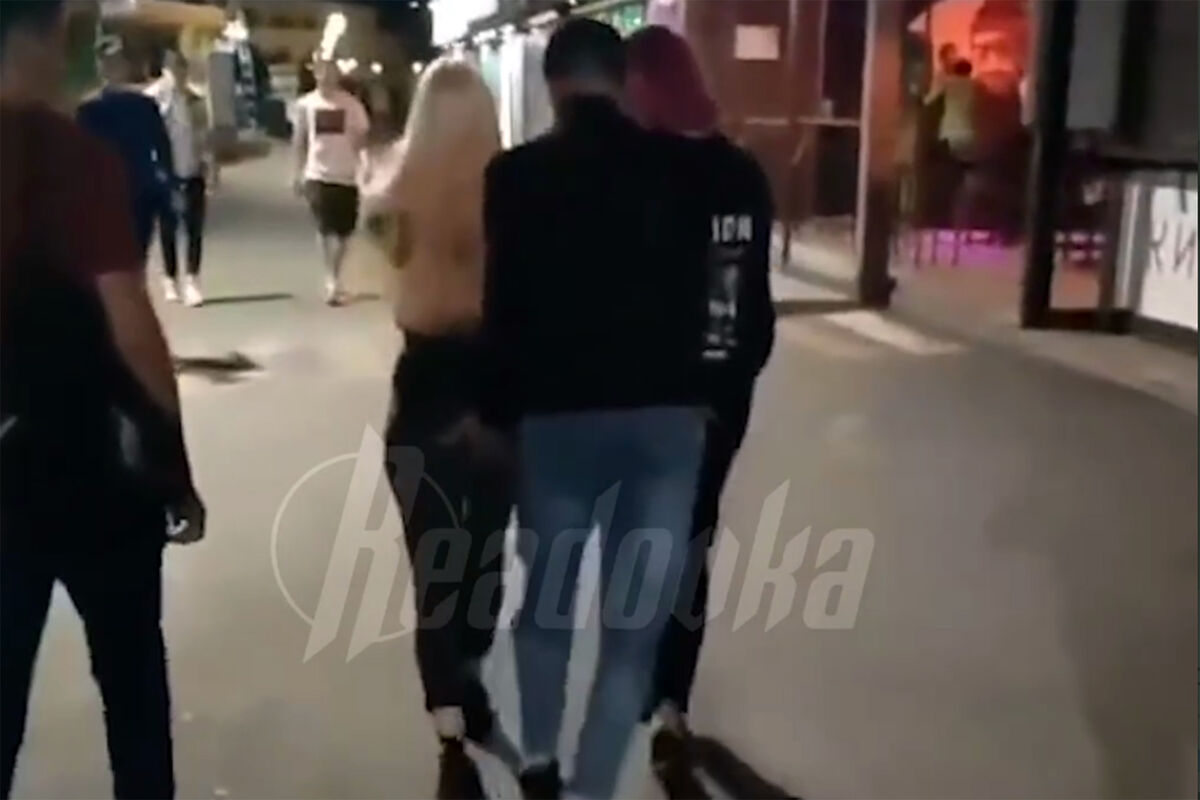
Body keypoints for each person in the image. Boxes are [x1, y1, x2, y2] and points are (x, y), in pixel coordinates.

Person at [481, 19, 709, 799]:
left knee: (547, 604)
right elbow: (703, 296)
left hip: (556, 421)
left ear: (552, 86)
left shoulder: (515, 177)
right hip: (664, 420)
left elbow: (503, 309)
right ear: (622, 80)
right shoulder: (682, 171)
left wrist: (498, 417)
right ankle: (590, 790)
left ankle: (539, 760)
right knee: (632, 632)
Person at [1, 2, 205, 797]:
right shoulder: (74, 159)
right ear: (44, 37)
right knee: (131, 683)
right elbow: (130, 328)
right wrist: (174, 464)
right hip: (93, 468)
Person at [624, 22, 775, 771]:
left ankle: (659, 691)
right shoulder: (737, 172)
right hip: (710, 396)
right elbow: (739, 295)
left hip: (668, 397)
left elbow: (721, 291)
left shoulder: (645, 171)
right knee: (684, 543)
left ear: (647, 87)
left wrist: (698, 389)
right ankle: (667, 699)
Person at [361, 58, 512, 799]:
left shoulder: (389, 197)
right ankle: (470, 675)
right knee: (485, 555)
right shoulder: (512, 199)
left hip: (421, 388)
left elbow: (385, 272)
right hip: (493, 387)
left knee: (434, 568)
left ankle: (448, 718)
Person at [77, 36, 175, 258]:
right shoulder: (139, 106)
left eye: (114, 63)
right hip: (126, 192)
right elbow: (163, 149)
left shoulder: (93, 109)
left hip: (124, 194)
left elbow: (162, 147)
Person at [292, 55, 370, 305]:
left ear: (337, 75)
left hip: (347, 175)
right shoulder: (305, 105)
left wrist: (366, 167)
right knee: (324, 228)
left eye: (331, 72)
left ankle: (336, 274)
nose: (326, 77)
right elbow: (300, 140)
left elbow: (361, 141)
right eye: (322, 72)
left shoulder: (352, 105)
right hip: (317, 174)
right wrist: (297, 173)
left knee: (345, 232)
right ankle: (331, 279)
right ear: (315, 75)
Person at [146, 50, 211, 307]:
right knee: (168, 227)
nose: (178, 74)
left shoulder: (195, 98)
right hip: (165, 172)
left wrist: (209, 163)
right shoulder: (154, 98)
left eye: (182, 69)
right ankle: (170, 278)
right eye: (173, 69)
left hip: (192, 169)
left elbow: (204, 134)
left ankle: (192, 279)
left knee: (194, 227)